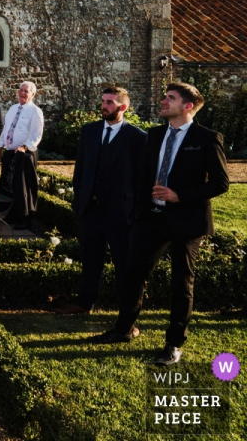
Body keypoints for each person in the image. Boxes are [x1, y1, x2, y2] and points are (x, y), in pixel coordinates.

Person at [89, 83, 229, 365]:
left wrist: (180, 196)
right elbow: (142, 176)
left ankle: (174, 344)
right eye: (165, 96)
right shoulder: (154, 135)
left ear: (187, 106)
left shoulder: (206, 138)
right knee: (132, 272)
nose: (163, 101)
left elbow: (221, 183)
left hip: (187, 221)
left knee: (181, 283)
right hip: (152, 218)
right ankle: (124, 329)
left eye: (171, 98)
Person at [55, 87, 147, 316]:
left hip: (120, 212)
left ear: (122, 107)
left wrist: (134, 212)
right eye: (103, 101)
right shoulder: (90, 131)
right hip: (90, 210)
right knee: (90, 260)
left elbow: (141, 179)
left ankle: (126, 314)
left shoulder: (138, 137)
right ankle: (84, 304)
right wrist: (79, 201)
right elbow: (81, 169)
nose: (103, 106)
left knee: (124, 266)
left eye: (109, 102)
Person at [0, 81, 44, 228]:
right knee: (9, 186)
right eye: (21, 90)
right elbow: (6, 130)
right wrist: (0, 148)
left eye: (26, 91)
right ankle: (11, 215)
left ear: (33, 94)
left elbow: (37, 135)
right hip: (11, 153)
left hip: (25, 155)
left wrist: (25, 147)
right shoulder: (12, 108)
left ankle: (24, 220)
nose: (22, 93)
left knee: (23, 188)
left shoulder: (35, 111)